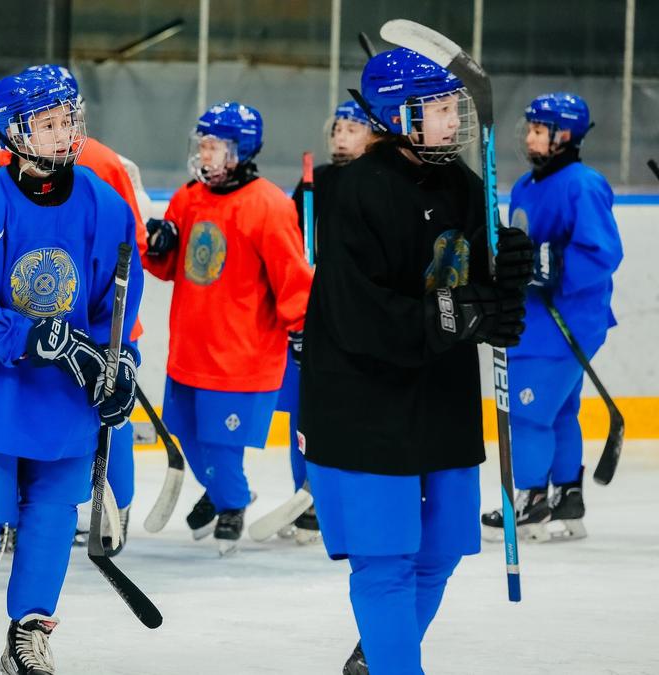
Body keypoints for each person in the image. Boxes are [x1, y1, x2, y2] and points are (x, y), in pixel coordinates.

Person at [298, 48, 533, 674]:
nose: (450, 119)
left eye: (450, 105)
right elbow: (361, 315)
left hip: (441, 396)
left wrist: (509, 271)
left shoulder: (462, 181)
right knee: (387, 559)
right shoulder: (352, 191)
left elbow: (479, 278)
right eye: (433, 107)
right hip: (364, 402)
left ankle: (379, 653)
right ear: (397, 115)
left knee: (442, 550)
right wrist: (470, 314)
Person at [0, 69, 141, 675]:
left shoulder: (107, 207)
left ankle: (29, 633)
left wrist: (119, 364)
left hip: (63, 405)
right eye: (49, 123)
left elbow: (115, 309)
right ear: (16, 132)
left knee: (49, 522)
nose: (65, 133)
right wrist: (39, 335)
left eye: (69, 119)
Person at [142, 101, 313, 555]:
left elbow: (291, 274)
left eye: (213, 146)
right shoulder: (187, 198)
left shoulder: (269, 205)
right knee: (186, 433)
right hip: (189, 348)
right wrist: (158, 245)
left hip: (241, 352)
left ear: (239, 151)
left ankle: (232, 501)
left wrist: (301, 326)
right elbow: (171, 268)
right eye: (201, 144)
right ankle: (225, 493)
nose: (203, 153)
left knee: (220, 442)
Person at [481, 92, 622, 543]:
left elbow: (602, 253)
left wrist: (554, 265)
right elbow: (522, 246)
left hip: (566, 322)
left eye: (538, 130)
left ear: (564, 136)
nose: (529, 136)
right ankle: (567, 497)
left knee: (527, 416)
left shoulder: (583, 184)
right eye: (529, 128)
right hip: (537, 320)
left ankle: (531, 499)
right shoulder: (526, 186)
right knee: (560, 412)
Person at [21, 63, 148, 555]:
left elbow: (127, 241)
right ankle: (70, 506)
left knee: (108, 405)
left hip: (96, 311)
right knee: (93, 406)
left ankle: (117, 506)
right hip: (62, 311)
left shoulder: (100, 160)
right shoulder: (22, 157)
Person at [276, 99, 374, 544]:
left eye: (352, 129)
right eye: (338, 128)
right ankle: (309, 497)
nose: (341, 136)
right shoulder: (316, 181)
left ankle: (353, 498)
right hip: (315, 315)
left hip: (362, 319)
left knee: (356, 411)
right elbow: (292, 246)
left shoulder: (381, 183)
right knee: (305, 409)